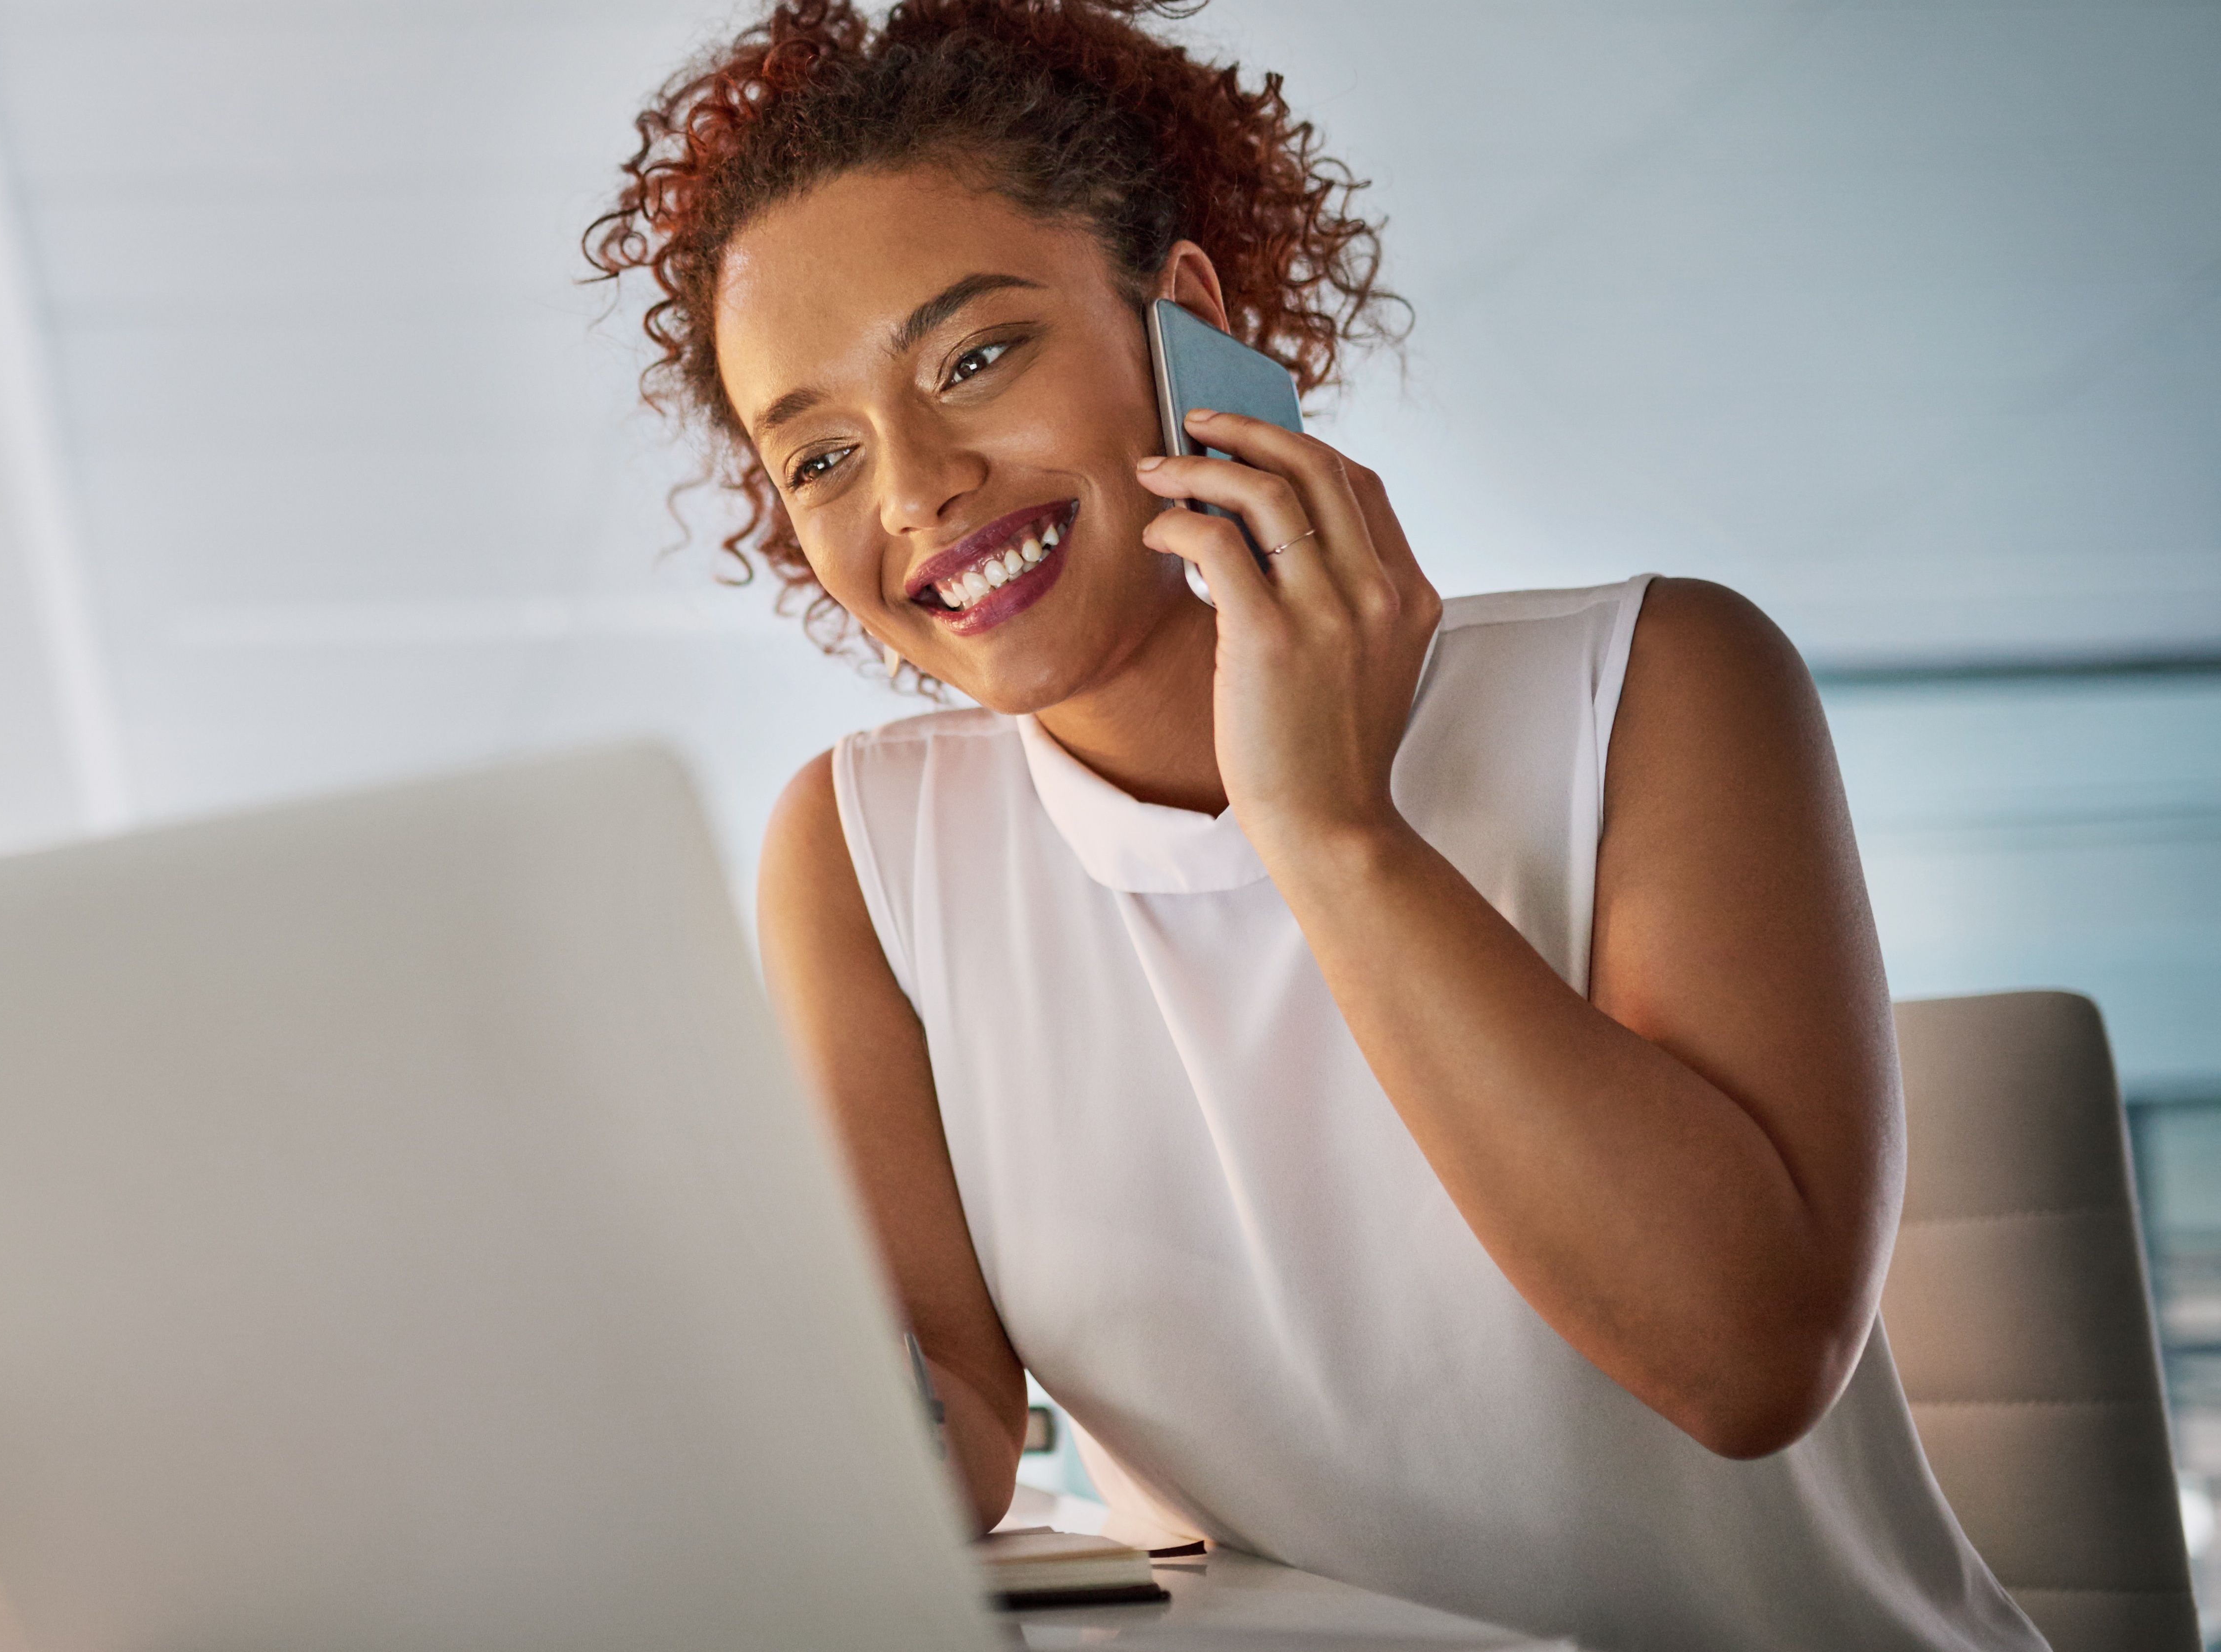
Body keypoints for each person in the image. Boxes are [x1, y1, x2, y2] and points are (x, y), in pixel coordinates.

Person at [584, 3, 2045, 1647]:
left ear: (1187, 325)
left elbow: (1747, 1362)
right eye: (820, 457)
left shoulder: (1653, 684)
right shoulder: (868, 854)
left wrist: (1327, 825)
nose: (913, 487)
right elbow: (955, 1429)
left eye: (976, 360)